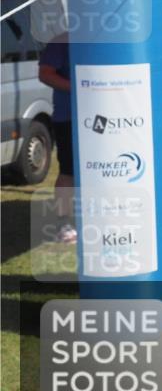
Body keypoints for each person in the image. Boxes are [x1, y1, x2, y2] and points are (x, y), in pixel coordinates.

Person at [38, 33, 76, 243]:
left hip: (107, 116)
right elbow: (45, 74)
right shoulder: (62, 41)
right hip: (69, 116)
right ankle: (64, 223)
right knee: (69, 171)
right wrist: (80, 88)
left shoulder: (112, 37)